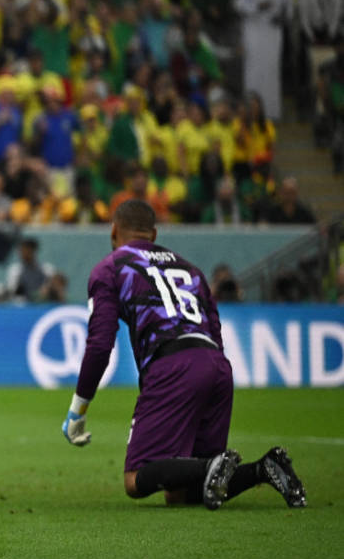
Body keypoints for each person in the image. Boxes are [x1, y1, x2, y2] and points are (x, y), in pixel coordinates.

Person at [60, 199, 307, 511]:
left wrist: (78, 411)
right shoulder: (190, 268)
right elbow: (215, 331)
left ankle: (211, 465)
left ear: (113, 232)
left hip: (172, 367)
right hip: (216, 367)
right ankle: (265, 468)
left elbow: (99, 344)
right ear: (154, 233)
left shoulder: (110, 269)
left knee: (135, 480)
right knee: (184, 493)